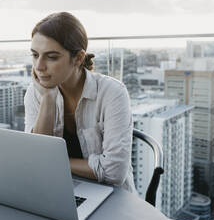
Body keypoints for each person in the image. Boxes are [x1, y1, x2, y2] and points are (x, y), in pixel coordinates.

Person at [24, 12, 136, 193]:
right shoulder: (36, 92)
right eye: (35, 55)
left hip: (111, 196)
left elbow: (114, 172)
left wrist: (54, 162)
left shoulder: (112, 93)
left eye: (51, 57)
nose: (39, 66)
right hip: (57, 190)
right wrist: (48, 99)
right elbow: (36, 159)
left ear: (78, 58)